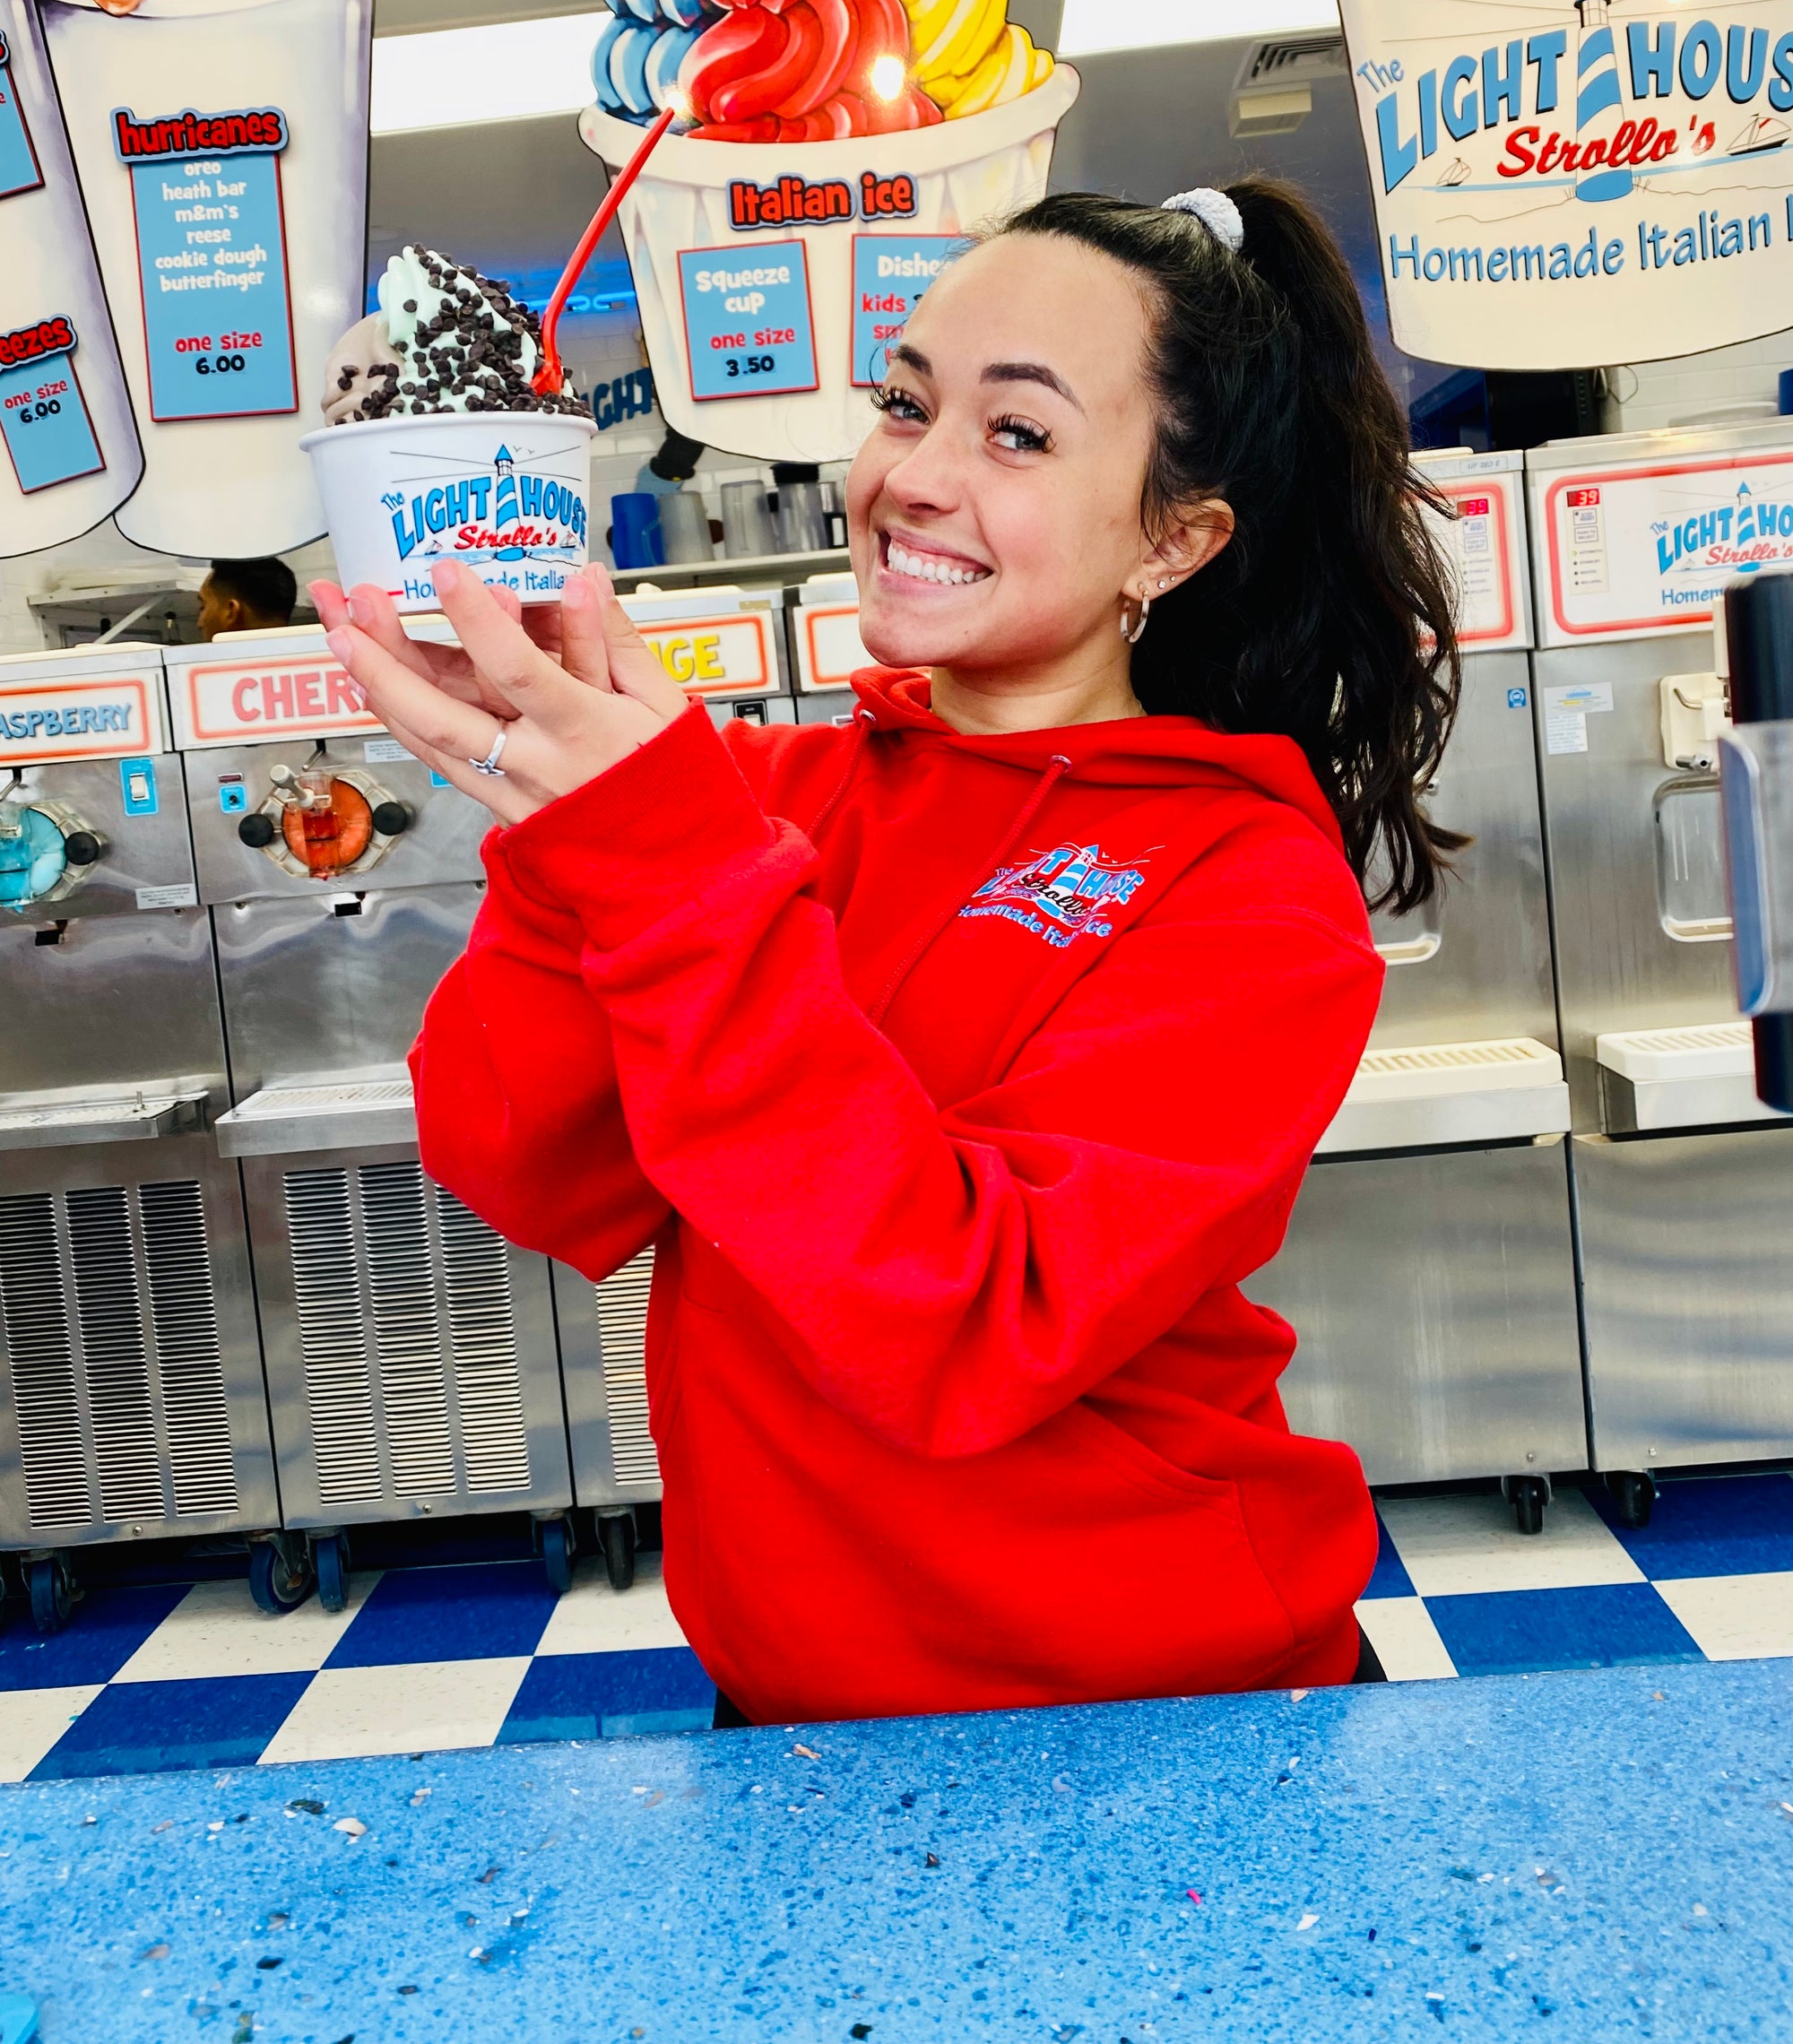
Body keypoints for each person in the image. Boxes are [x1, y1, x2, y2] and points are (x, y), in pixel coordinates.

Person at [311, 178, 1461, 1724]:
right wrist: (558, 825)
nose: (913, 475)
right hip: (798, 1711)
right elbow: (530, 1164)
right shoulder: (765, 801)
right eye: (907, 402)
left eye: (1019, 433)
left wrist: (667, 871)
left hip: (1174, 1712)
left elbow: (972, 1320)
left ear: (1173, 541)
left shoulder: (1245, 880)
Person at [196, 555, 299, 641]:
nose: (199, 623)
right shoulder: (307, 659)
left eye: (203, 607)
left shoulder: (195, 663)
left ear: (231, 612)